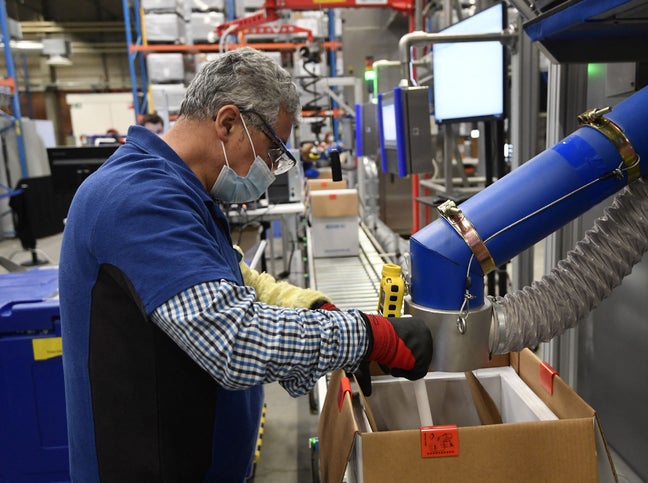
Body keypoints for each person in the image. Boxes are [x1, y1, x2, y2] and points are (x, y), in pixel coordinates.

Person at [58, 47, 432, 482]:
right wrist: (366, 336)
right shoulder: (139, 200)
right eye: (273, 150)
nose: (272, 170)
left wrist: (316, 312)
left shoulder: (181, 191)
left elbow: (238, 279)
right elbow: (235, 342)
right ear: (228, 121)